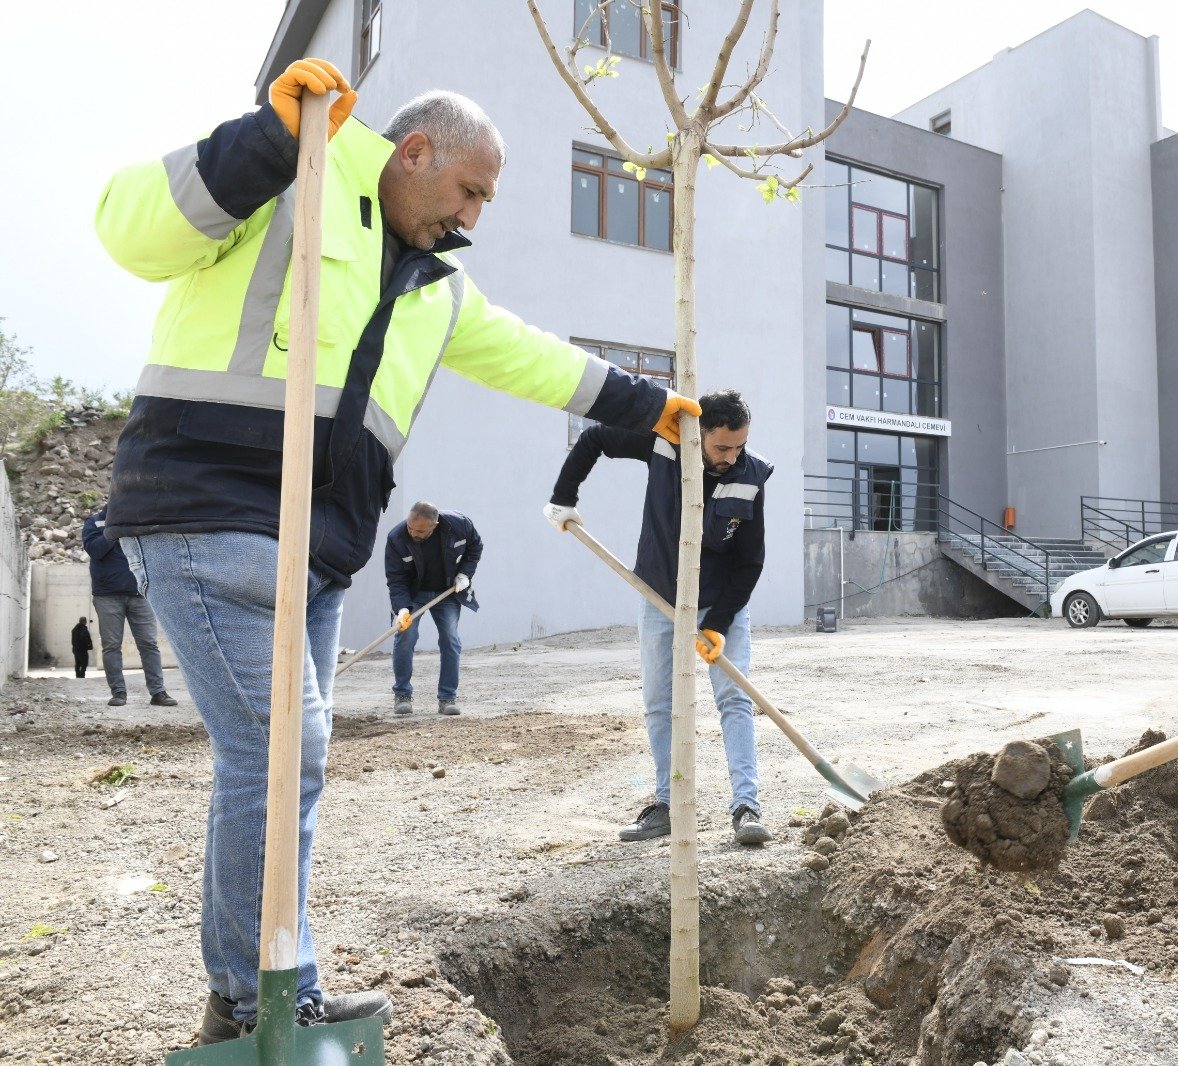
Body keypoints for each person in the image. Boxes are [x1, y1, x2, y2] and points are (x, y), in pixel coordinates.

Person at [95, 58, 699, 1045]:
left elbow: (531, 354)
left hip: (318, 549)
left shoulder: (440, 288)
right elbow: (128, 226)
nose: (473, 215)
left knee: (287, 756)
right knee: (281, 749)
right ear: (413, 153)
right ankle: (257, 997)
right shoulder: (297, 172)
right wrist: (266, 141)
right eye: (469, 189)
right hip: (212, 510)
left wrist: (650, 406)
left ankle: (254, 991)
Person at [544, 389, 774, 846]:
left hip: (717, 603)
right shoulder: (664, 444)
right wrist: (563, 498)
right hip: (658, 596)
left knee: (734, 701)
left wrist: (719, 622)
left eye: (739, 446)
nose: (731, 457)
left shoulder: (751, 475)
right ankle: (667, 805)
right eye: (721, 447)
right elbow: (594, 440)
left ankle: (746, 807)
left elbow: (750, 561)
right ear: (698, 435)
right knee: (660, 703)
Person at [384, 502, 480, 715]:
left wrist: (465, 574)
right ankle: (402, 694)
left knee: (450, 639)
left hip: (447, 591)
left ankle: (447, 698)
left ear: (434, 525)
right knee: (405, 636)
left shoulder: (459, 525)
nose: (412, 532)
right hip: (412, 595)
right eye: (410, 526)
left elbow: (475, 546)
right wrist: (402, 609)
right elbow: (396, 579)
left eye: (419, 531)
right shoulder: (397, 538)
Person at [82, 508, 176, 707]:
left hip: (140, 593)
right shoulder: (95, 523)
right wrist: (114, 529)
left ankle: (158, 692)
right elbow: (95, 551)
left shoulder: (138, 520)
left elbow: (153, 551)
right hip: (107, 596)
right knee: (111, 646)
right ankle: (118, 693)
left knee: (149, 644)